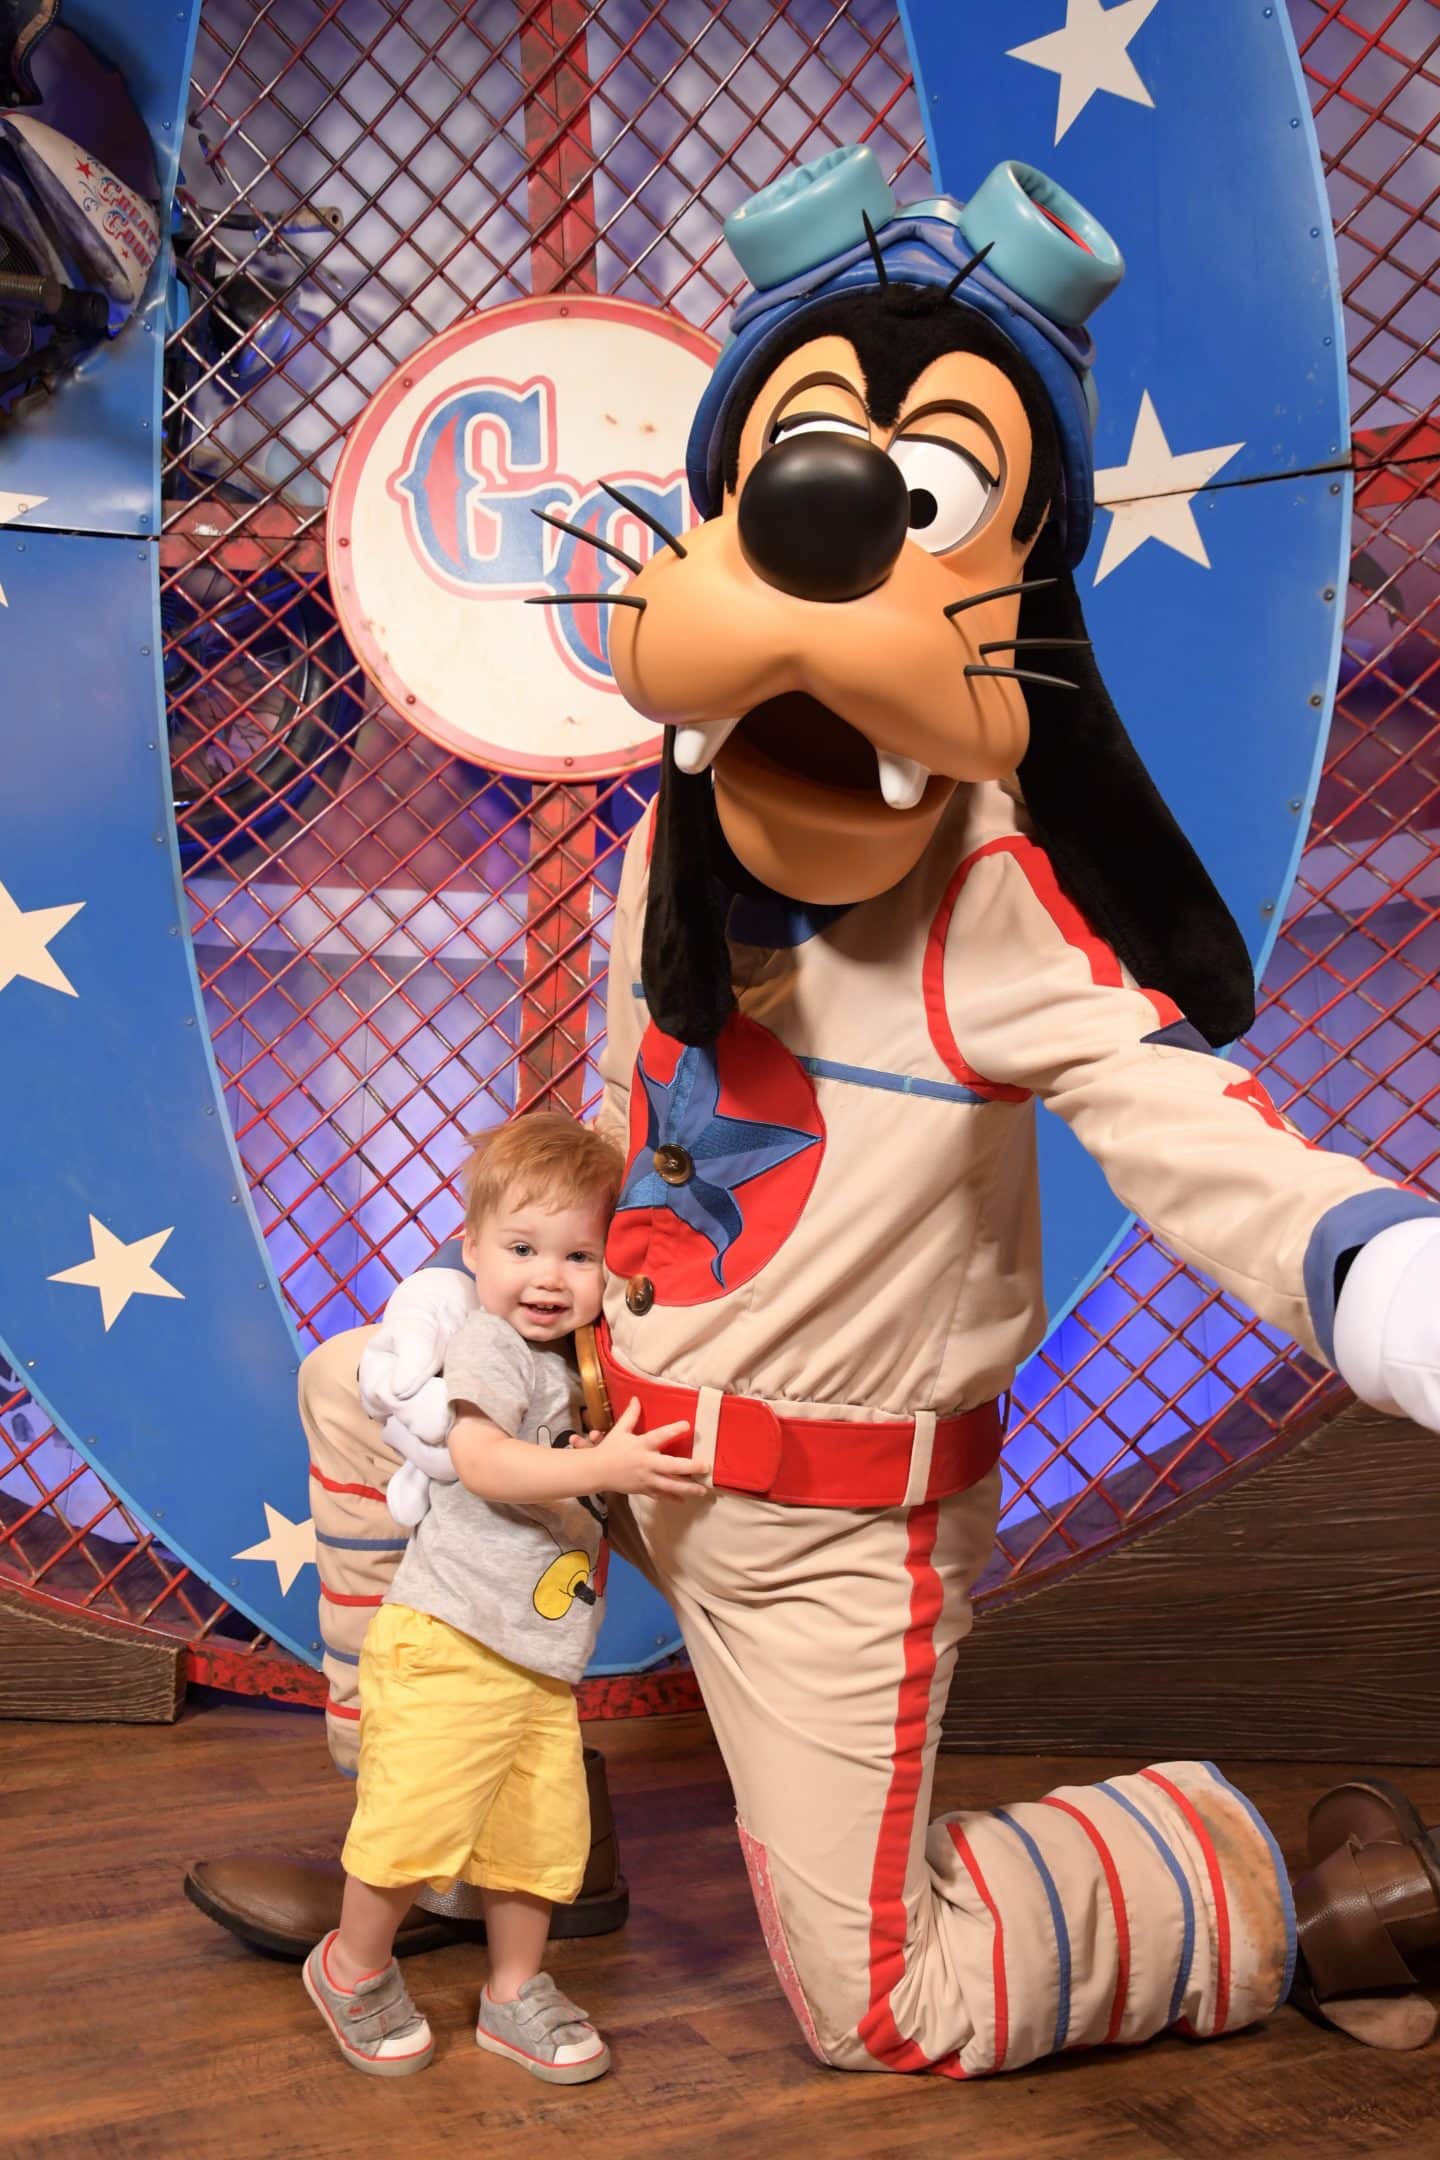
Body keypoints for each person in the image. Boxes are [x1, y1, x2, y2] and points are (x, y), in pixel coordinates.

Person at [301, 1112, 702, 2081]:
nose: (548, 1277)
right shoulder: (491, 1346)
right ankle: (350, 1966)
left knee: (537, 1844)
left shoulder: (581, 1365)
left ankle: (514, 1991)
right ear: (470, 1250)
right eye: (521, 1249)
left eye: (579, 1255)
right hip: (448, 1639)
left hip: (536, 1662)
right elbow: (479, 1461)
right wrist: (601, 1464)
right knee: (411, 1823)